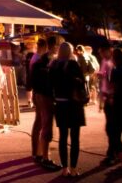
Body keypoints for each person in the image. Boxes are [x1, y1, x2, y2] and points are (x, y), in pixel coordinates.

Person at [50, 42, 86, 177]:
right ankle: (74, 168)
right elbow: (82, 82)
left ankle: (64, 169)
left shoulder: (54, 65)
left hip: (60, 104)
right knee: (75, 138)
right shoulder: (73, 65)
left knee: (63, 137)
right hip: (74, 105)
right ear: (70, 52)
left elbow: (50, 85)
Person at [32, 36, 61, 171]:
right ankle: (45, 158)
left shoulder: (40, 60)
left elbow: (32, 79)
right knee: (47, 126)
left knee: (43, 124)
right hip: (46, 96)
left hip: (39, 94)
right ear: (55, 46)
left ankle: (39, 154)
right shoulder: (51, 61)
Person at [98, 44, 117, 166]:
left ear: (109, 50)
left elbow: (114, 80)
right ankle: (115, 152)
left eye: (102, 52)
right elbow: (104, 76)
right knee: (111, 128)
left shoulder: (114, 62)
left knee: (112, 128)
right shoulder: (105, 61)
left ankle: (113, 154)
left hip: (112, 97)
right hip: (106, 96)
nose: (101, 55)